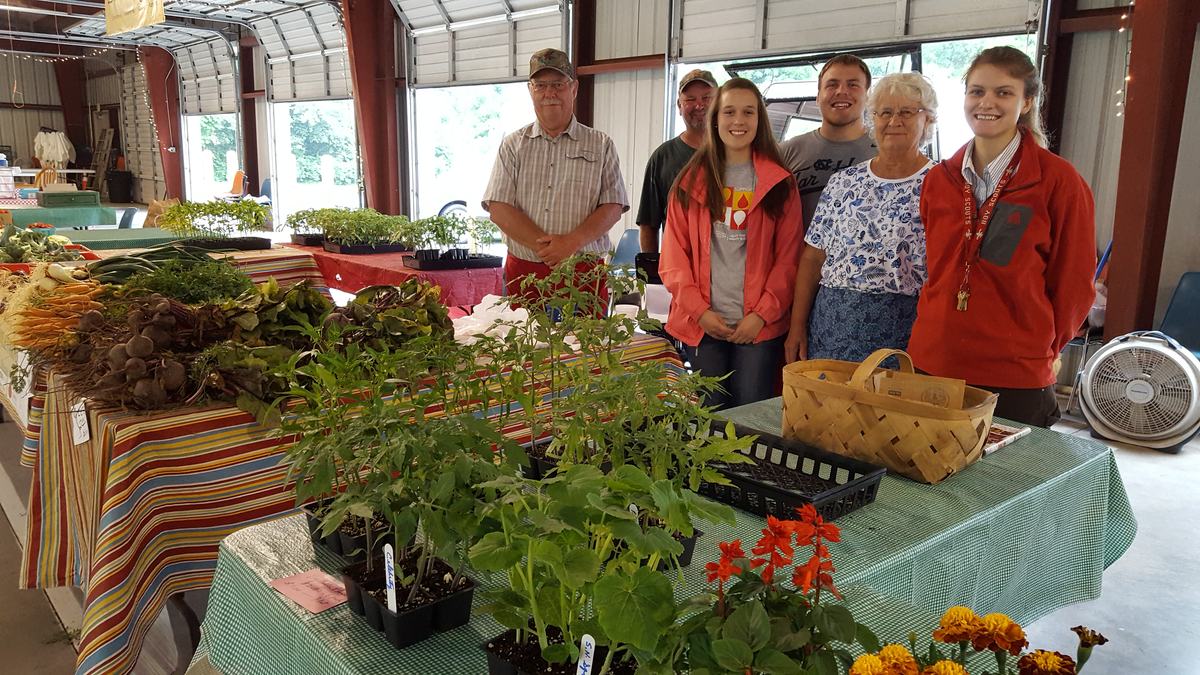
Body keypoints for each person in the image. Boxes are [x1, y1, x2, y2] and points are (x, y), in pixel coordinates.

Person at [907, 46, 1096, 428]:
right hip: (935, 362)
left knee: (1008, 487)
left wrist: (1039, 347)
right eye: (977, 91)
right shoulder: (939, 180)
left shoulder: (1057, 181)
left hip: (1015, 372)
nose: (986, 102)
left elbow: (1074, 284)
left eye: (1003, 92)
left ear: (1026, 102)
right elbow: (937, 270)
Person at [659, 78, 804, 410]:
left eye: (748, 112)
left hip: (757, 328)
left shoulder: (780, 183)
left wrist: (761, 315)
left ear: (759, 120)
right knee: (707, 423)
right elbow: (673, 258)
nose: (738, 121)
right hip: (702, 325)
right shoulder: (688, 180)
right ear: (715, 118)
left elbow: (789, 259)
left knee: (751, 421)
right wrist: (701, 312)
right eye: (729, 112)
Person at [784, 72, 938, 364]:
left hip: (905, 332)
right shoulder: (843, 182)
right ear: (872, 119)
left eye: (906, 112)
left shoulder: (941, 184)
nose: (894, 121)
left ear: (927, 119)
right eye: (884, 113)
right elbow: (812, 259)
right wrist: (796, 327)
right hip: (832, 328)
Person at [482, 48, 629, 307]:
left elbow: (613, 206)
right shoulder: (513, 145)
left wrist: (571, 243)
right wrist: (548, 249)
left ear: (573, 89)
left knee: (586, 347)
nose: (549, 93)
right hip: (525, 273)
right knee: (526, 345)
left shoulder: (601, 144)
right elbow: (498, 208)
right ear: (530, 90)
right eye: (541, 85)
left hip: (584, 274)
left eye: (558, 85)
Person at [780, 54, 878, 229]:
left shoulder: (885, 152)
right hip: (799, 256)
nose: (841, 91)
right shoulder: (786, 153)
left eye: (853, 84)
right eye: (832, 84)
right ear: (818, 96)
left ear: (868, 97)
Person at [635, 69, 718, 252]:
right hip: (680, 273)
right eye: (690, 99)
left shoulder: (735, 153)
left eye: (706, 97)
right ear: (679, 106)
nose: (699, 105)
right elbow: (649, 224)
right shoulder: (663, 157)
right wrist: (653, 275)